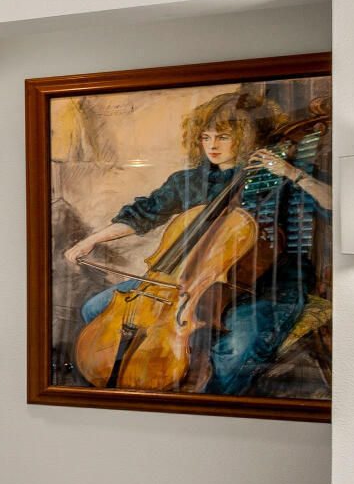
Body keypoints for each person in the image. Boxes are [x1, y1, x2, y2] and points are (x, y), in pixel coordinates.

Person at [65, 89, 329, 395]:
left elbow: (336, 206)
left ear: (245, 138)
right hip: (180, 281)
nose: (212, 146)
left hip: (264, 285)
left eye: (223, 137)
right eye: (206, 137)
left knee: (234, 351)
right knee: (95, 309)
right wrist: (90, 241)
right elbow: (143, 214)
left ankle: (214, 407)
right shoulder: (189, 180)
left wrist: (292, 174)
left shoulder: (276, 177)